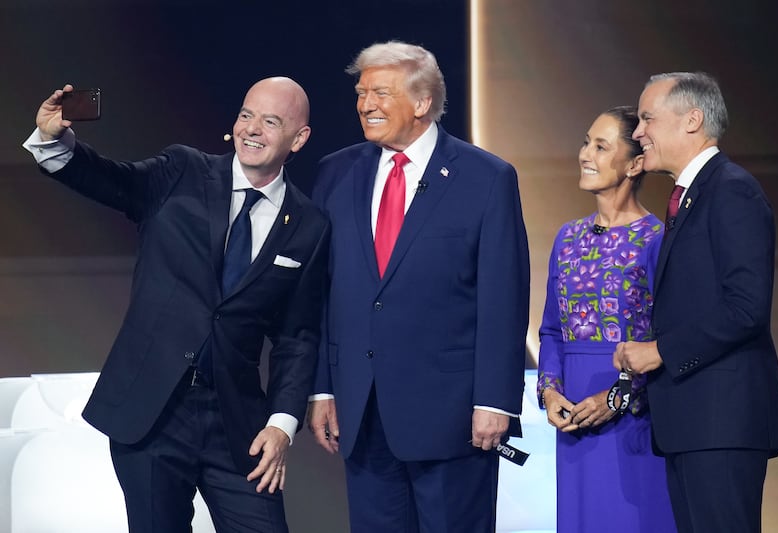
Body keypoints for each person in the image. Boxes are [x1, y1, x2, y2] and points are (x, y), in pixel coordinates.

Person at [22, 77, 331, 533]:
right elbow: (112, 180)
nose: (252, 130)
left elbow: (297, 335)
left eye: (270, 121)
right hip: (151, 416)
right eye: (246, 115)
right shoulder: (182, 171)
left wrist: (282, 424)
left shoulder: (308, 224)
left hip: (238, 425)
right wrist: (55, 140)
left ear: (298, 138)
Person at [307, 41, 530, 532]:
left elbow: (503, 300)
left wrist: (494, 401)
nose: (366, 104)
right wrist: (323, 386)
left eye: (380, 93)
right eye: (362, 93)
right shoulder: (336, 173)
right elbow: (321, 293)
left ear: (423, 102)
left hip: (453, 417)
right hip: (362, 412)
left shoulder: (486, 178)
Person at [613, 72, 778, 533]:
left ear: (692, 120)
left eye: (647, 118)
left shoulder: (731, 190)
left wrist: (660, 351)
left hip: (722, 423)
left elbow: (745, 307)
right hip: (696, 422)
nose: (637, 133)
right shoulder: (692, 196)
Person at [537, 106, 675, 532]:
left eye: (601, 146)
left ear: (635, 164)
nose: (585, 154)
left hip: (635, 418)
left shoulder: (657, 240)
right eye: (585, 142)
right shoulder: (568, 236)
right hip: (574, 417)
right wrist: (550, 391)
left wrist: (615, 398)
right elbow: (552, 330)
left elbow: (667, 339)